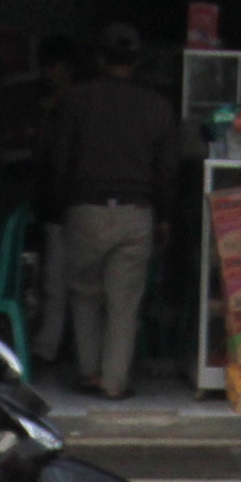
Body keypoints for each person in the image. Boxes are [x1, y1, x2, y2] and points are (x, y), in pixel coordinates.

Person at [46, 23, 182, 399]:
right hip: (136, 213)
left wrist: (60, 206)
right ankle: (114, 381)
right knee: (124, 303)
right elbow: (167, 170)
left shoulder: (76, 99)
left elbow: (59, 158)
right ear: (137, 60)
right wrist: (166, 216)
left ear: (99, 58)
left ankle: (88, 371)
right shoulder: (157, 106)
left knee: (85, 295)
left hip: (85, 210)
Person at [28, 35, 84, 372]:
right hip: (68, 204)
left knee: (60, 283)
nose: (49, 73)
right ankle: (58, 347)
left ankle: (52, 347)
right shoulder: (61, 104)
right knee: (63, 283)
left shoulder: (71, 106)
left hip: (68, 203)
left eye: (54, 67)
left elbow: (58, 158)